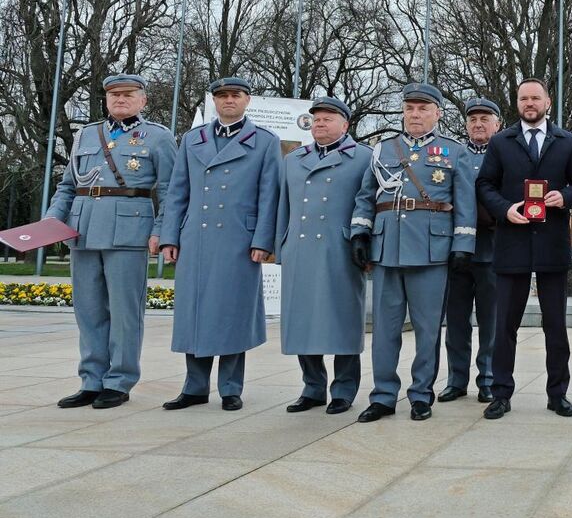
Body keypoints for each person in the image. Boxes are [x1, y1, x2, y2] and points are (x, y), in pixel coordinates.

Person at [45, 74, 176, 409]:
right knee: (88, 311)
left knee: (124, 312)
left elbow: (169, 191)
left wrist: (161, 230)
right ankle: (91, 380)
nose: (120, 99)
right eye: (114, 94)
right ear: (106, 99)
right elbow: (68, 186)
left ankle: (119, 380)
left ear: (143, 100)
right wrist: (51, 221)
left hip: (129, 232)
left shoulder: (158, 137)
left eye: (128, 94)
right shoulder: (86, 135)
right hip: (83, 229)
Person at [350, 83, 476, 423]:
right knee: (385, 329)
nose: (415, 114)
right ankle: (383, 395)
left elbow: (465, 204)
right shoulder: (383, 149)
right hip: (387, 247)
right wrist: (360, 232)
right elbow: (366, 195)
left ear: (437, 113)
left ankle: (421, 394)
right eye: (410, 108)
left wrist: (463, 246)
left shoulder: (452, 152)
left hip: (432, 251)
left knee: (427, 330)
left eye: (423, 108)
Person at [159, 77, 281, 411]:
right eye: (222, 96)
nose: (228, 101)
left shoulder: (265, 141)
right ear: (214, 101)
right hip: (194, 238)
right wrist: (170, 235)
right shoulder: (192, 139)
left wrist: (263, 240)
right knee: (193, 312)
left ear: (247, 100)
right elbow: (177, 191)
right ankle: (194, 386)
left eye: (235, 95)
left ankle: (230, 388)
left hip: (238, 240)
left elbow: (269, 195)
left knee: (232, 312)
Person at [476, 78, 572, 420]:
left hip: (553, 243)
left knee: (555, 325)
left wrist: (566, 197)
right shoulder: (500, 142)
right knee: (505, 326)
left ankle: (558, 394)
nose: (529, 103)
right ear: (517, 103)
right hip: (512, 242)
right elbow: (484, 184)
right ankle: (501, 394)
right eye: (523, 98)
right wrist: (504, 209)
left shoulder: (567, 141)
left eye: (535, 98)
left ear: (547, 102)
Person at [276, 96, 370, 415]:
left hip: (340, 249)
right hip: (300, 250)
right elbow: (282, 207)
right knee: (303, 320)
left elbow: (366, 203)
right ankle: (312, 387)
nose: (320, 123)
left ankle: (343, 389)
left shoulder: (362, 158)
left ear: (345, 124)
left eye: (328, 118)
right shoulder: (293, 159)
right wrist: (280, 246)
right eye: (316, 118)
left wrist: (363, 241)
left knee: (343, 320)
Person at [438, 97, 502, 404]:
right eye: (473, 119)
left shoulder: (505, 154)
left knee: (490, 322)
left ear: (497, 124)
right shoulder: (453, 155)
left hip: (492, 250)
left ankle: (487, 378)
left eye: (484, 119)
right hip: (456, 252)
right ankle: (456, 379)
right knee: (457, 321)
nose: (478, 124)